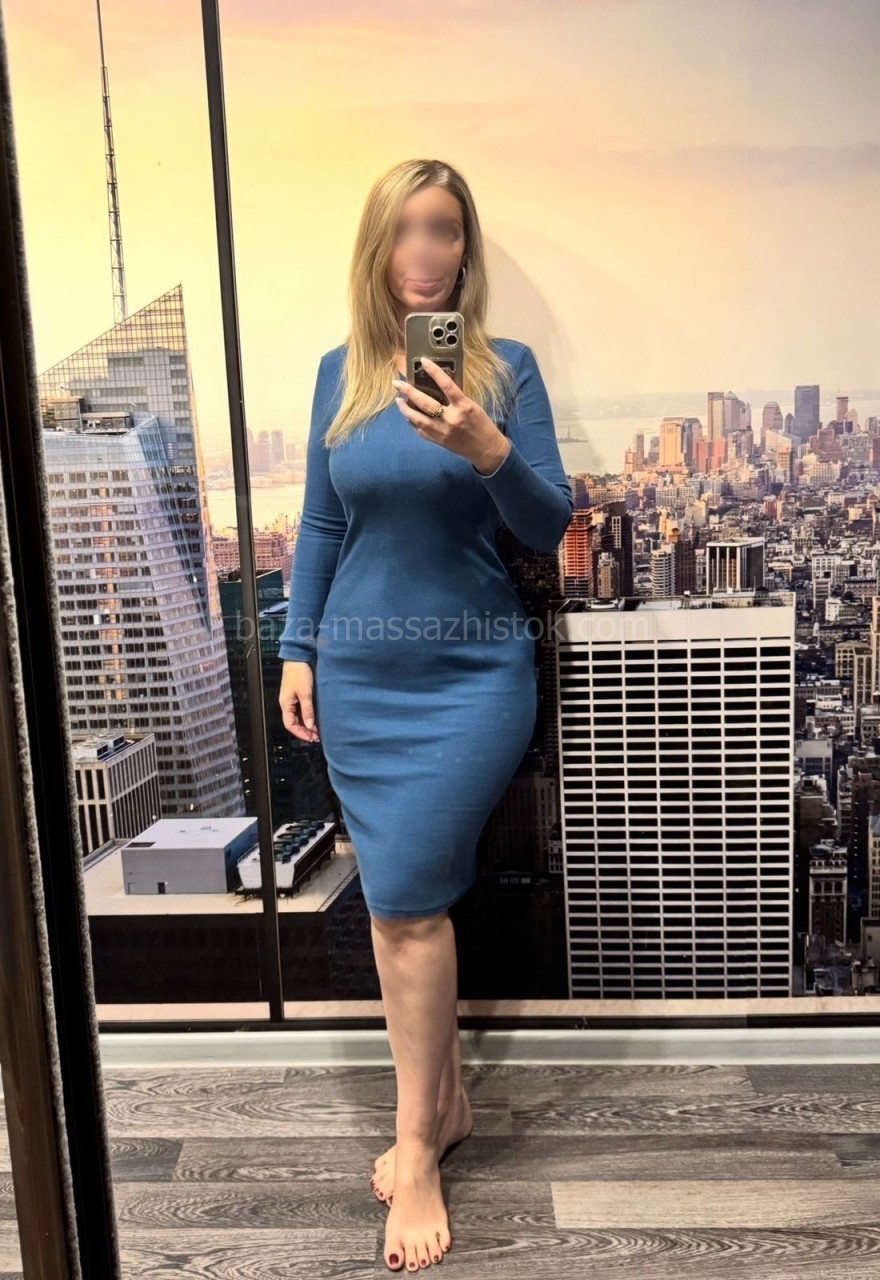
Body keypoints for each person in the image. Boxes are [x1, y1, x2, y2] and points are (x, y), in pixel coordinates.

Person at [277, 158, 573, 1273]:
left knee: (406, 900)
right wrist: (297, 647)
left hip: (473, 674)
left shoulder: (506, 371)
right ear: (378, 247)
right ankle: (440, 1108)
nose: (425, 251)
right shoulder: (340, 375)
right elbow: (320, 527)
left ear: (465, 247)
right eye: (405, 229)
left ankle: (417, 1144)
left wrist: (487, 449)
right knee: (403, 904)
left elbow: (548, 524)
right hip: (360, 671)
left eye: (444, 229)